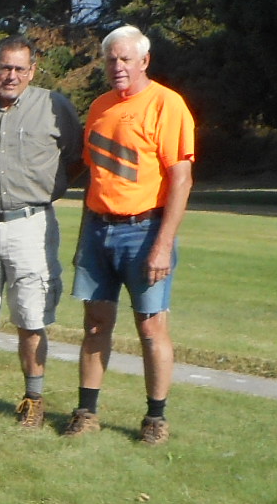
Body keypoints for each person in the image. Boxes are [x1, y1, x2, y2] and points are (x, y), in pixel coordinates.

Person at [67, 24, 195, 445]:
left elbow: (181, 179)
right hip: (98, 229)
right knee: (95, 325)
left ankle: (155, 417)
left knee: (151, 327)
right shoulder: (100, 106)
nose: (118, 66)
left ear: (144, 60)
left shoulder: (166, 104)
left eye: (125, 58)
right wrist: (84, 240)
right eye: (111, 59)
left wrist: (162, 245)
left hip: (145, 230)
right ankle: (86, 412)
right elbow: (94, 175)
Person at [0, 37, 82, 428]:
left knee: (31, 316)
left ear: (32, 71)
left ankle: (33, 400)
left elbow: (76, 158)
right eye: (5, 67)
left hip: (31, 225)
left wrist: (46, 190)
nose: (11, 75)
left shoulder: (54, 106)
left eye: (19, 69)